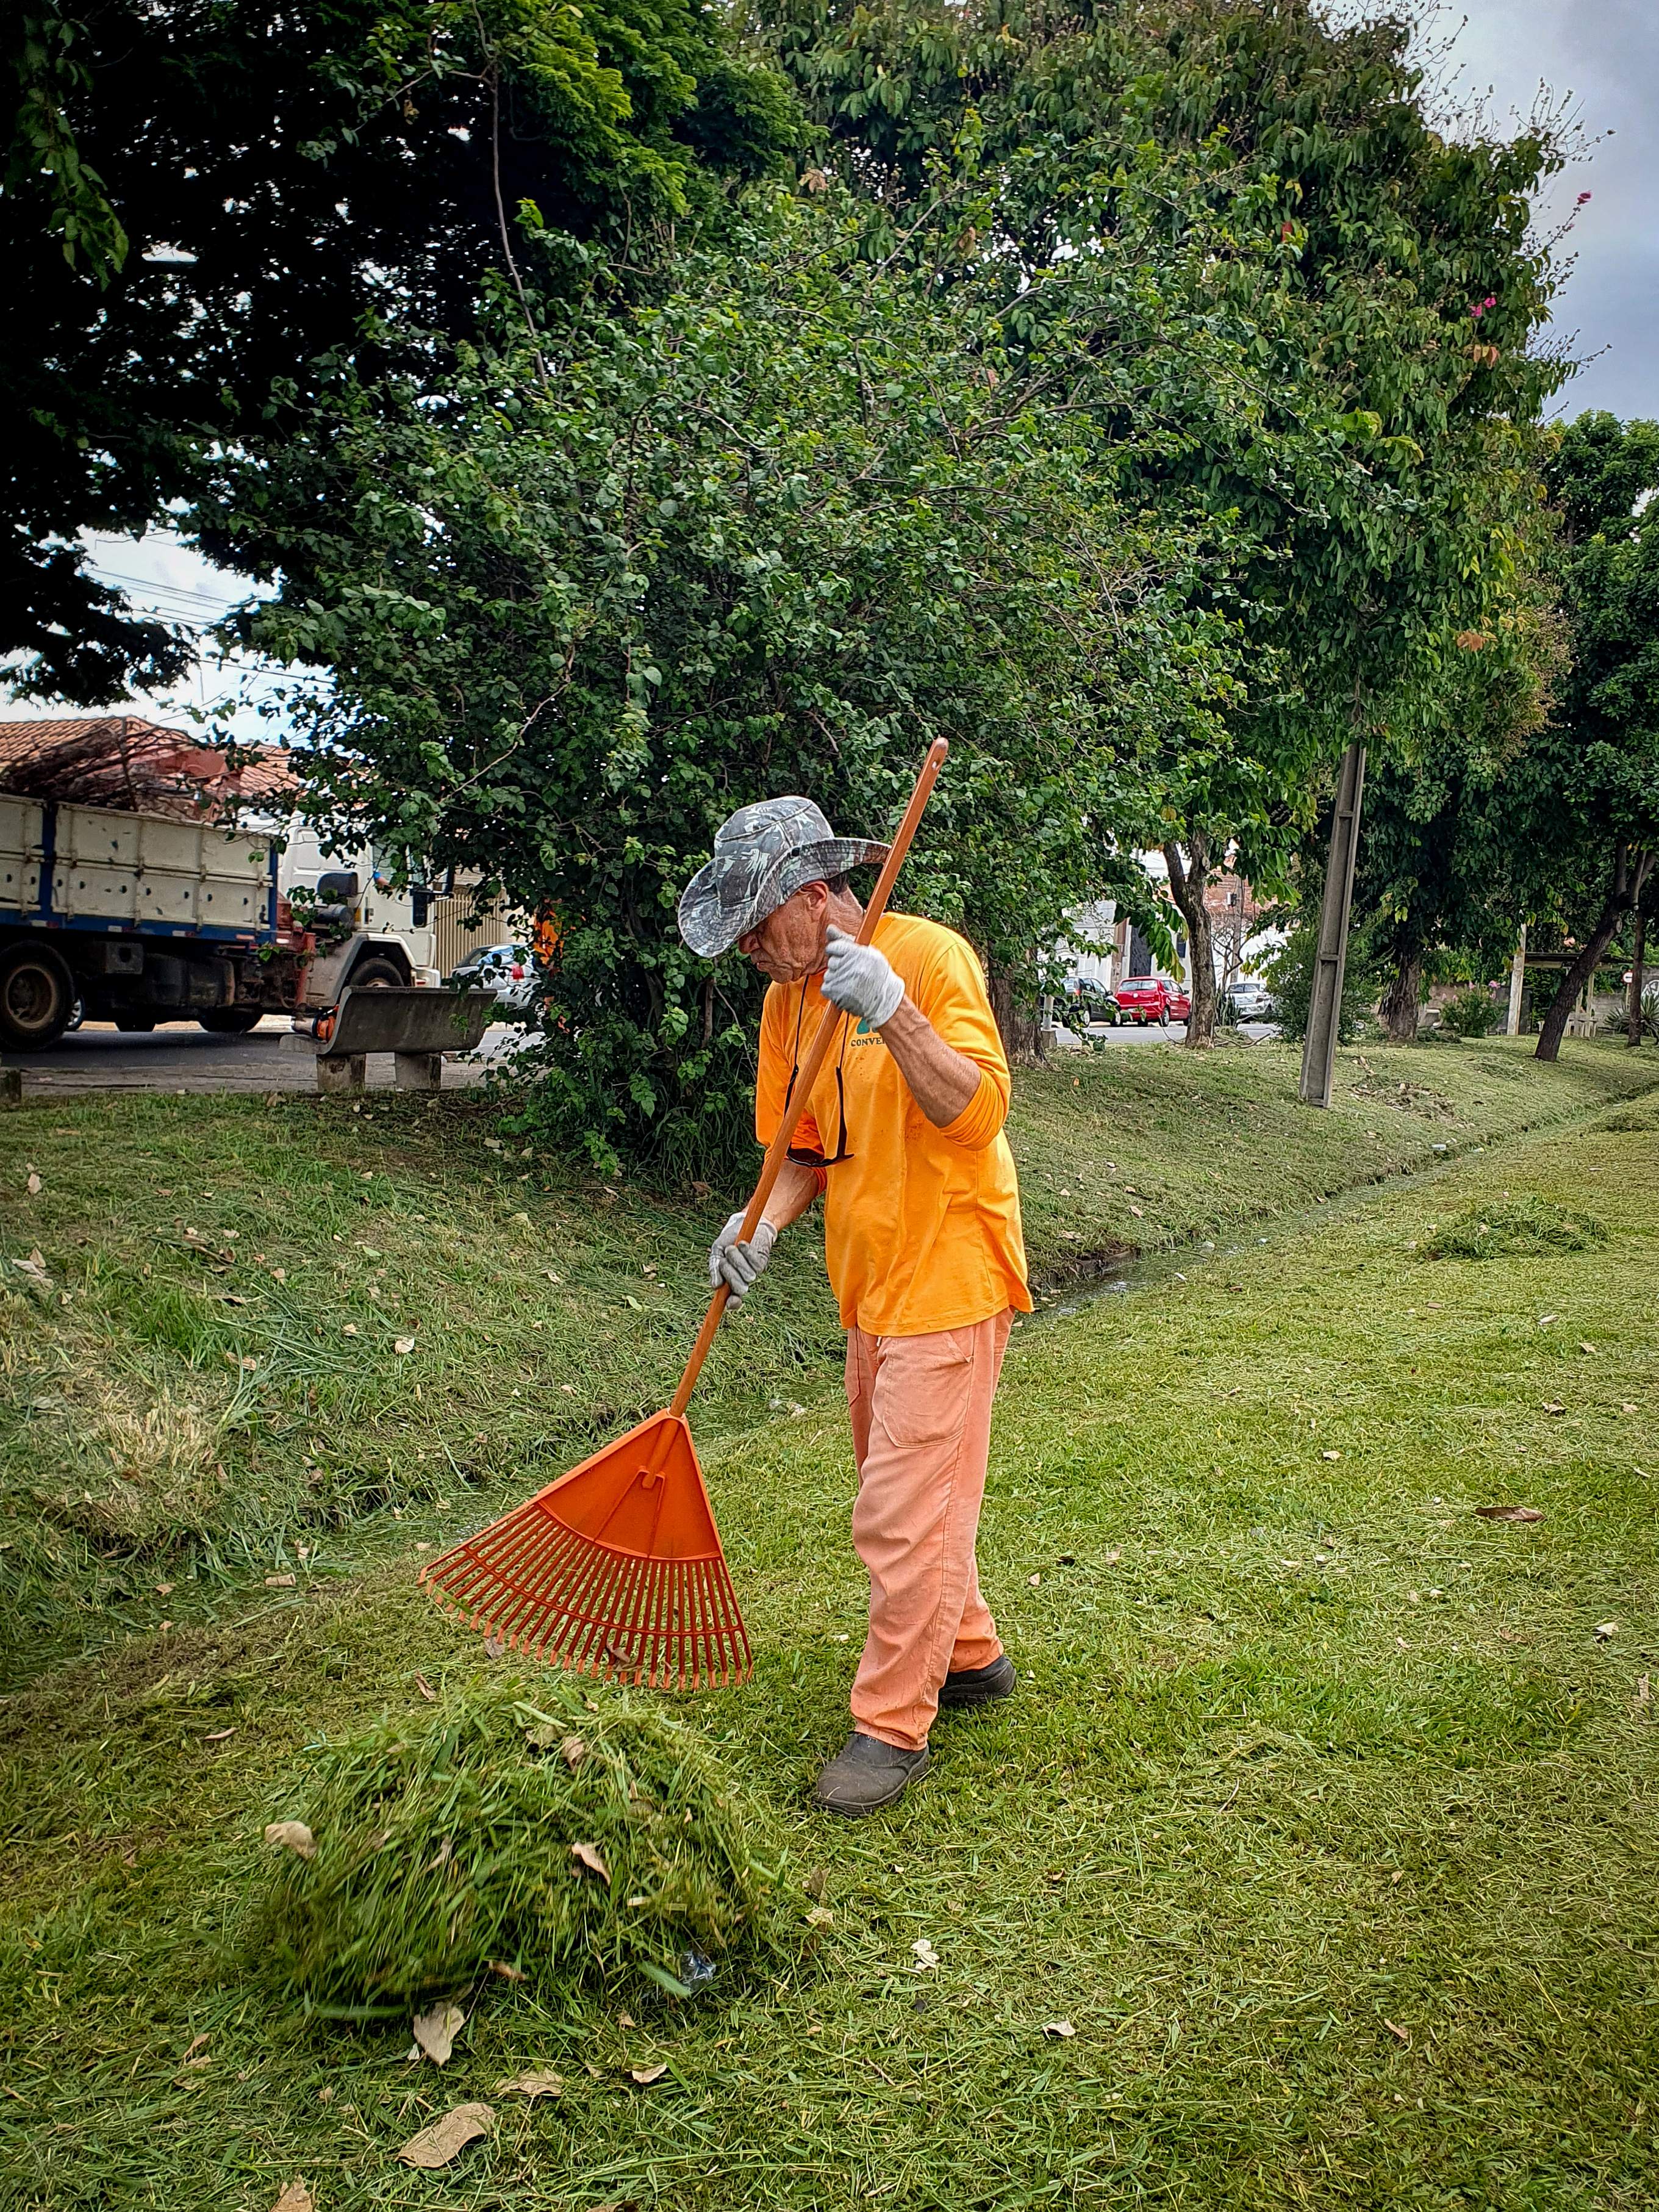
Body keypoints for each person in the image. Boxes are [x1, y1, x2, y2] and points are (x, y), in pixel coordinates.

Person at [678, 795, 1031, 1814]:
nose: (748, 946)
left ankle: (891, 1725)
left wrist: (894, 1011)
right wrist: (761, 1225)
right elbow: (799, 1149)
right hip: (869, 1284)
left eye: (757, 920)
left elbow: (980, 1112)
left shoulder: (926, 959)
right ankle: (968, 1653)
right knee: (907, 1487)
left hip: (952, 1268)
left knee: (899, 1511)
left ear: (817, 892)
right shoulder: (789, 1002)